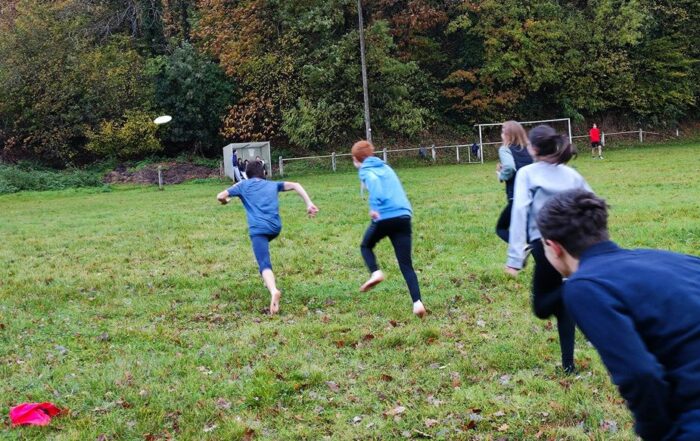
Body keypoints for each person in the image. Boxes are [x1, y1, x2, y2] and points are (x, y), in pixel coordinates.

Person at [537, 189, 700, 441]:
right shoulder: (673, 260)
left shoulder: (585, 286)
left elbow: (640, 374)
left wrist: (659, 434)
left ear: (553, 247)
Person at [506, 125, 592, 374]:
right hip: (572, 246)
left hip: (545, 246)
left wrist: (514, 258)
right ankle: (568, 366)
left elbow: (519, 211)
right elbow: (592, 203)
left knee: (542, 307)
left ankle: (571, 291)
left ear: (533, 148)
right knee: (563, 305)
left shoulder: (527, 173)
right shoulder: (571, 174)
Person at [217, 160, 319, 315]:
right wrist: (309, 203)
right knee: (261, 251)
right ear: (263, 173)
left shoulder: (242, 185)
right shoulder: (272, 184)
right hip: (275, 228)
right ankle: (267, 279)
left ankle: (273, 291)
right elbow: (296, 185)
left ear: (246, 174)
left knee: (263, 262)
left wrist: (225, 201)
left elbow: (220, 196)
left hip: (258, 230)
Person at [351, 140, 426, 318]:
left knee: (366, 246)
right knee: (406, 264)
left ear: (356, 159)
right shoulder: (386, 167)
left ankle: (375, 273)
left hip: (384, 216)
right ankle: (417, 303)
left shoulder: (365, 170)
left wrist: (375, 206)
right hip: (403, 216)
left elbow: (374, 182)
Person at [495, 121, 533, 243]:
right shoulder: (530, 149)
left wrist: (501, 175)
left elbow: (510, 167)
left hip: (516, 196)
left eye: (503, 132)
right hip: (533, 195)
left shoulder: (505, 149)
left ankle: (523, 246)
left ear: (508, 135)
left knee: (500, 228)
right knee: (530, 231)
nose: (501, 135)